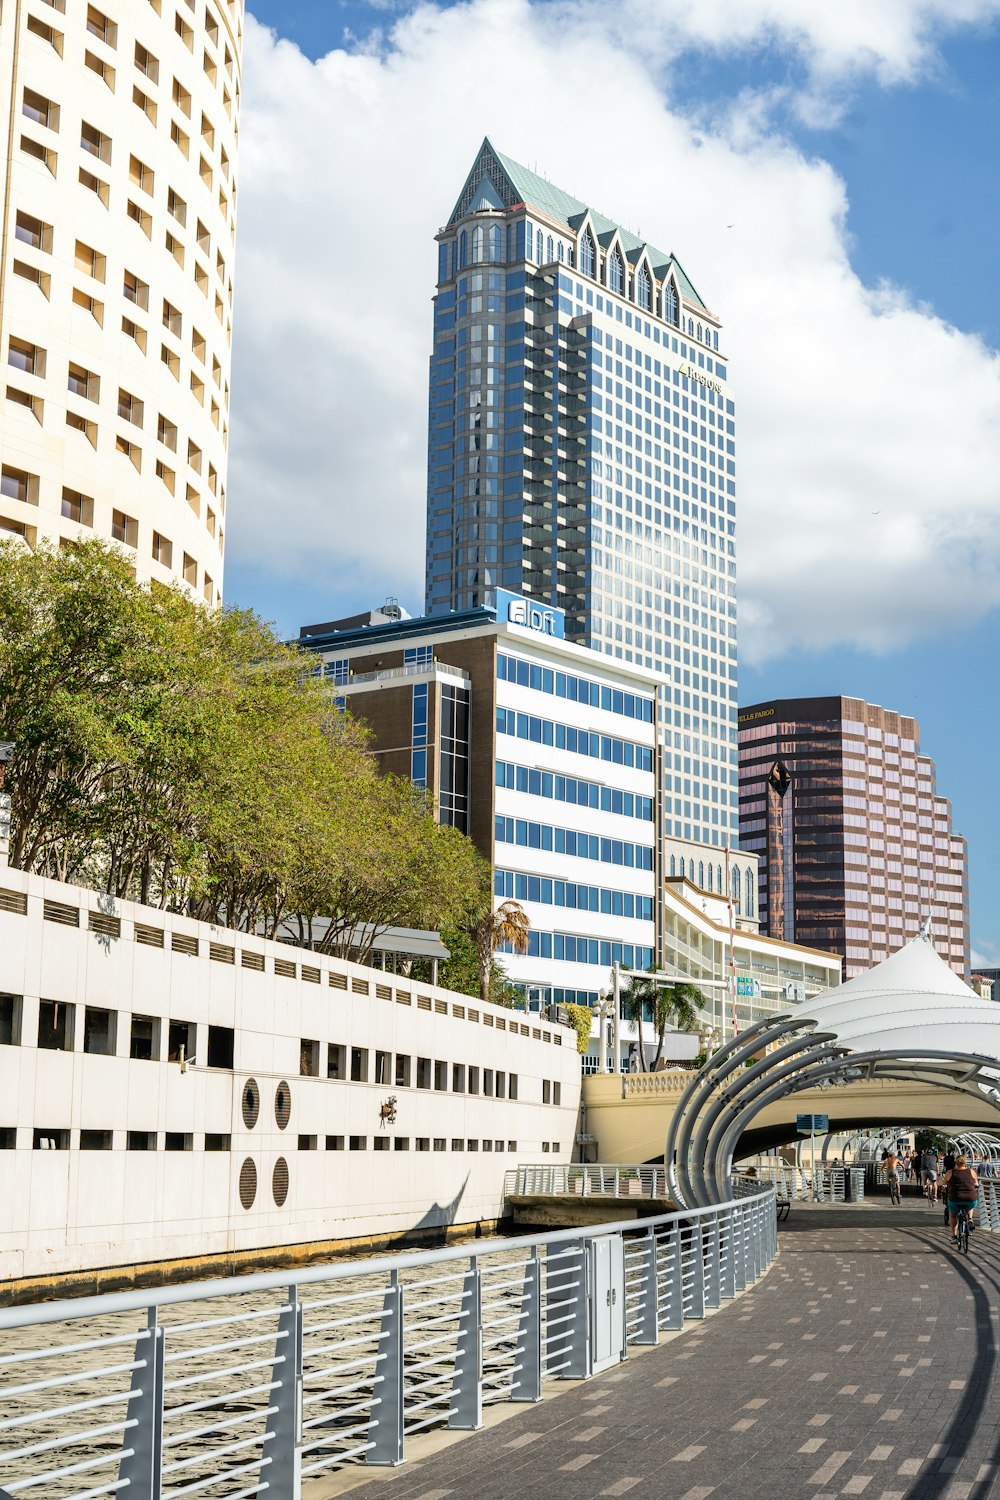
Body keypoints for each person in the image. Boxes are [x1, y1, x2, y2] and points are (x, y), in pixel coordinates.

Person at [941, 1154, 979, 1242]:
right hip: (970, 1199)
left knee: (953, 1215)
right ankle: (970, 1219)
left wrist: (943, 1187)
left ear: (956, 1163)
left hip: (955, 1199)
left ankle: (954, 1236)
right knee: (970, 1204)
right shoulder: (971, 1171)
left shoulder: (950, 1172)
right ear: (965, 1163)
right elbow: (976, 1183)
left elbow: (943, 1184)